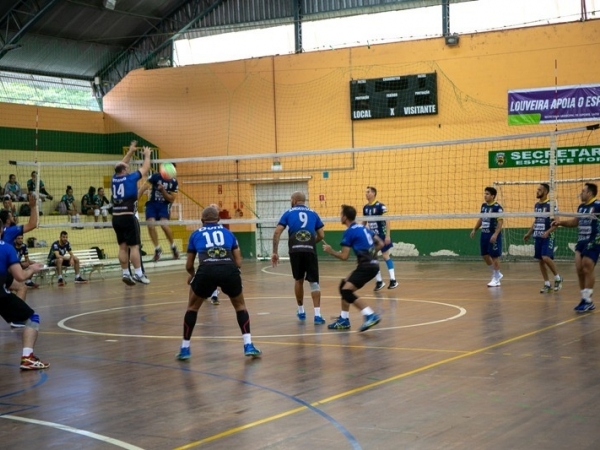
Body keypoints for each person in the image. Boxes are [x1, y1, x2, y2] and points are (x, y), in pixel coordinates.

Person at [176, 206, 261, 360]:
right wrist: (232, 272)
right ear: (219, 220)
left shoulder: (195, 234)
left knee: (192, 308)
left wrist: (193, 275)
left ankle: (185, 348)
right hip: (228, 269)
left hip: (206, 270)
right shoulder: (228, 234)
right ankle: (248, 344)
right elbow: (238, 261)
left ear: (202, 221)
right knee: (240, 306)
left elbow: (189, 265)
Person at [322, 204, 383, 331]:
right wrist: (370, 255)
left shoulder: (349, 232)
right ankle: (344, 320)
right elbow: (380, 243)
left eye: (341, 214)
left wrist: (330, 251)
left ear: (345, 217)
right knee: (343, 285)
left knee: (346, 291)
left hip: (366, 267)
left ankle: (370, 315)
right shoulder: (363, 227)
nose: (340, 216)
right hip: (372, 265)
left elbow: (344, 256)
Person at [0, 219, 49, 370]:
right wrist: (33, 268)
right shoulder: (7, 249)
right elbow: (20, 276)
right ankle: (27, 357)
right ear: (2, 230)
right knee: (32, 318)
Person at [271, 191, 326, 324]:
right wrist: (311, 242)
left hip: (295, 250)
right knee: (314, 282)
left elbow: (277, 232)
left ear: (294, 200)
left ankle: (301, 311)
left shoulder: (288, 213)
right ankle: (317, 316)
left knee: (298, 280)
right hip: (310, 249)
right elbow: (322, 235)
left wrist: (275, 252)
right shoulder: (313, 213)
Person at [551, 183, 600, 313]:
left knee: (587, 266)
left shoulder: (597, 206)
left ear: (590, 193)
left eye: (583, 191)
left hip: (594, 240)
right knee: (579, 269)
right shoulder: (581, 207)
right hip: (581, 241)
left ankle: (588, 300)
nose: (581, 193)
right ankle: (584, 299)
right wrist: (560, 222)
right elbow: (575, 222)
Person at [112, 140, 152, 285]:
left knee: (122, 246)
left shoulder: (114, 178)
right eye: (127, 168)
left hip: (116, 218)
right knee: (134, 246)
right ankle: (139, 273)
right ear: (124, 170)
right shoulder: (130, 178)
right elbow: (145, 168)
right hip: (128, 217)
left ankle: (125, 273)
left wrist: (130, 151)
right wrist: (147, 155)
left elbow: (121, 164)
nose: (128, 168)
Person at [523, 183, 563, 293]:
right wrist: (529, 233)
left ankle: (558, 278)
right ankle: (547, 284)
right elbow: (536, 221)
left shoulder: (551, 205)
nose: (537, 191)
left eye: (539, 190)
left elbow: (557, 222)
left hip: (548, 236)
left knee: (545, 257)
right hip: (537, 236)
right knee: (540, 260)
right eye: (537, 189)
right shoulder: (536, 205)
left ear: (545, 192)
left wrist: (548, 232)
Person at [139, 166, 180, 261]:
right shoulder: (155, 177)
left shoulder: (174, 182)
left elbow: (171, 199)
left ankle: (173, 247)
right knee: (151, 225)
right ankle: (157, 249)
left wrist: (163, 191)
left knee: (164, 225)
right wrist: (135, 200)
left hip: (164, 205)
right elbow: (143, 188)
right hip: (152, 204)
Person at [363, 186, 398, 290]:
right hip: (373, 237)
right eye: (366, 192)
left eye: (368, 192)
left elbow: (387, 221)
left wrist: (387, 235)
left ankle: (393, 280)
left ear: (373, 193)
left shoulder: (380, 206)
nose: (366, 194)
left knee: (385, 256)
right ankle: (379, 282)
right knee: (372, 258)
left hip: (382, 235)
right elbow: (364, 221)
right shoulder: (365, 207)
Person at [470, 187, 504, 287]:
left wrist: (495, 234)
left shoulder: (497, 208)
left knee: (494, 256)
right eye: (485, 193)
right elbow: (481, 219)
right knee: (484, 255)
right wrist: (474, 229)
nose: (485, 195)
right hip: (484, 234)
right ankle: (496, 274)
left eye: (487, 194)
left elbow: (500, 222)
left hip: (492, 235)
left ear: (493, 196)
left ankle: (497, 279)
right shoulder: (484, 206)